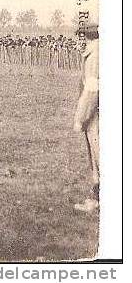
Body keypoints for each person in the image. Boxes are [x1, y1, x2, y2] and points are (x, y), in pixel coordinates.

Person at [73, 20, 99, 213]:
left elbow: (91, 90)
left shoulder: (94, 56)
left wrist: (80, 118)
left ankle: (96, 199)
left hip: (95, 114)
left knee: (99, 155)